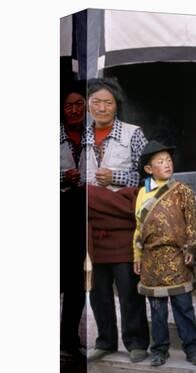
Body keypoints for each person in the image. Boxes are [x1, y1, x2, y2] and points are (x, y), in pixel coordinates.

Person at [85, 78, 150, 363]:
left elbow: (150, 177)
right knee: (97, 289)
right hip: (90, 227)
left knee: (128, 288)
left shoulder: (133, 134)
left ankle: (136, 342)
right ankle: (105, 341)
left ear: (116, 106)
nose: (101, 107)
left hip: (122, 224)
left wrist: (116, 178)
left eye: (107, 102)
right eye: (96, 102)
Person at [133, 140, 196, 367]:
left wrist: (192, 248)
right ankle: (159, 350)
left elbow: (193, 223)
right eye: (160, 161)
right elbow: (138, 227)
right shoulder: (142, 194)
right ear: (149, 169)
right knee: (157, 311)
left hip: (176, 257)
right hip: (151, 260)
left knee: (183, 307)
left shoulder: (182, 191)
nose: (167, 164)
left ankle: (193, 348)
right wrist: (137, 256)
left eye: (169, 160)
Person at [60, 80, 87, 358]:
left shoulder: (91, 137)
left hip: (82, 216)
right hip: (58, 212)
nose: (75, 109)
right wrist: (61, 178)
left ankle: (69, 340)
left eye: (80, 104)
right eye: (69, 105)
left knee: (77, 282)